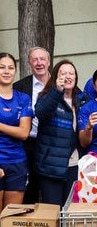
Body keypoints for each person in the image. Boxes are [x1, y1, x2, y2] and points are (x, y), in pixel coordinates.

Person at [34, 60, 89, 208]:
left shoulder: (82, 100)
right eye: (63, 73)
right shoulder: (47, 96)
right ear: (55, 77)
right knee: (53, 211)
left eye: (71, 73)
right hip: (51, 166)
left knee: (71, 211)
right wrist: (57, 91)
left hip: (74, 164)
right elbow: (41, 113)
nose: (68, 76)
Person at [13, 47, 51, 204]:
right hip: (28, 144)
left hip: (53, 145)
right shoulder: (19, 87)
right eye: (35, 59)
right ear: (29, 63)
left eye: (42, 59)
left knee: (51, 189)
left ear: (49, 62)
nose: (39, 63)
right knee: (30, 191)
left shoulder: (61, 83)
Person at [0, 52, 34, 210]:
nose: (6, 71)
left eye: (11, 68)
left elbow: (23, 133)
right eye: (2, 67)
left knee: (10, 216)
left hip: (17, 163)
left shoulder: (23, 98)